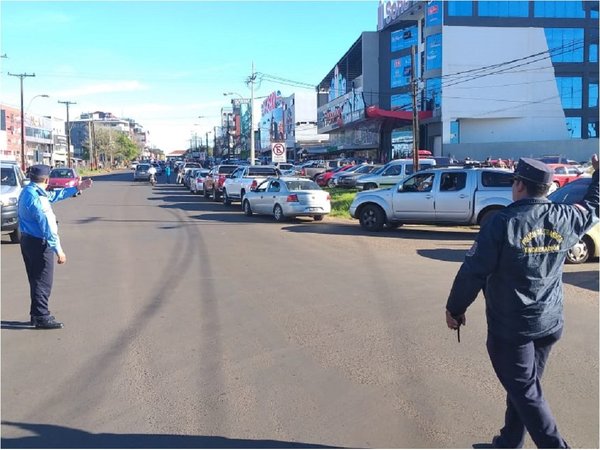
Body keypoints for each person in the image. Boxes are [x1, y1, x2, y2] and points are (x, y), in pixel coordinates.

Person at [445, 155, 599, 448]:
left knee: (527, 393)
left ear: (518, 185)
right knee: (524, 388)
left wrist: (455, 308)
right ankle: (509, 442)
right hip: (549, 323)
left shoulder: (502, 223)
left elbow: (473, 271)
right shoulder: (566, 217)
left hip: (511, 330)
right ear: (548, 188)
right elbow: (594, 205)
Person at [18, 165, 93, 329]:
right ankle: (41, 316)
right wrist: (59, 250)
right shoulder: (37, 198)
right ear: (46, 179)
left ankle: (36, 314)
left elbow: (52, 196)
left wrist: (76, 188)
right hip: (38, 243)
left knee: (36, 279)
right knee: (43, 281)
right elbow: (48, 226)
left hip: (27, 241)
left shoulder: (29, 191)